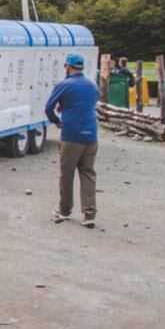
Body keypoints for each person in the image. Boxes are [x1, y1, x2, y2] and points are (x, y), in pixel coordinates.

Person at [46, 53, 100, 228]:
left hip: (71, 135)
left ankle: (65, 210)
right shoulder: (92, 85)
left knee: (67, 174)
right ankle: (89, 213)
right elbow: (88, 103)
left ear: (67, 67)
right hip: (91, 135)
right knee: (88, 173)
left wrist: (56, 120)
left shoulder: (64, 85)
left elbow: (48, 107)